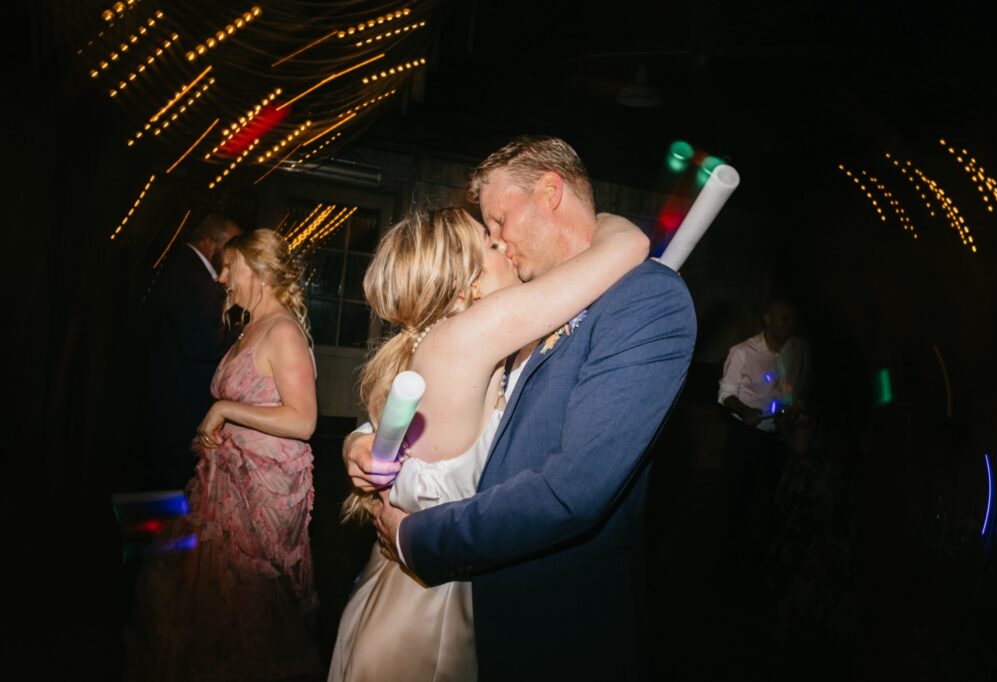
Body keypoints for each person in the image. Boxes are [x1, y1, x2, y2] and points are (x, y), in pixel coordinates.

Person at [344, 136, 697, 680]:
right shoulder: (505, 319)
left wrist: (376, 458)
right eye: (488, 237)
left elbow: (571, 490)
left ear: (550, 192)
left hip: (549, 615)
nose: (499, 241)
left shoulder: (642, 299)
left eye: (499, 222)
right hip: (452, 611)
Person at [123, 229, 321, 681]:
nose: (223, 277)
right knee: (200, 602)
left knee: (244, 615)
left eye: (231, 268)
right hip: (221, 489)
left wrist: (225, 408)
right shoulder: (250, 325)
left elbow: (303, 421)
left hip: (257, 499)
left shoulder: (283, 331)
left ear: (258, 271)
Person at [126, 213, 243, 491]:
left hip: (168, 396)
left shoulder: (186, 269)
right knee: (169, 482)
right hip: (176, 400)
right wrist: (239, 335)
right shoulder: (194, 276)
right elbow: (199, 342)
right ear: (207, 241)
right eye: (229, 244)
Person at [718, 297, 810, 574]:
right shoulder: (743, 352)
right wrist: (745, 411)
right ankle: (728, 562)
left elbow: (802, 388)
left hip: (781, 437)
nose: (788, 323)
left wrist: (797, 411)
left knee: (773, 501)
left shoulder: (801, 350)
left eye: (792, 318)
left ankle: (766, 563)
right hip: (746, 434)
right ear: (767, 319)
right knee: (737, 499)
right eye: (782, 317)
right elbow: (726, 394)